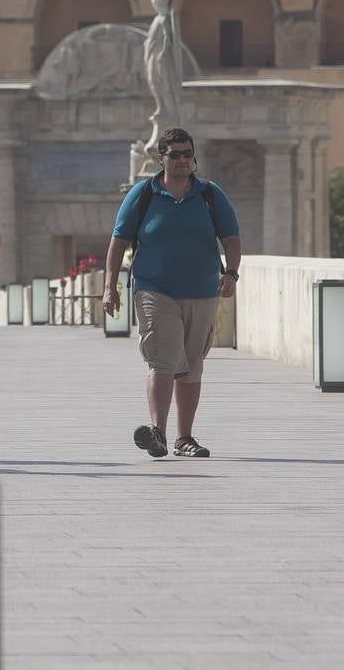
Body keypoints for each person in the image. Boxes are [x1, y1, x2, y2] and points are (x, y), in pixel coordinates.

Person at [101, 128, 241, 460]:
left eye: (187, 154)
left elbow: (232, 238)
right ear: (160, 157)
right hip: (154, 289)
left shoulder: (210, 194)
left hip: (202, 290)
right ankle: (158, 433)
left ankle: (185, 438)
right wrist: (110, 286)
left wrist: (232, 273)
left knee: (191, 365)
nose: (182, 160)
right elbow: (118, 241)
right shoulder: (142, 194)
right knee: (162, 359)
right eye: (175, 154)